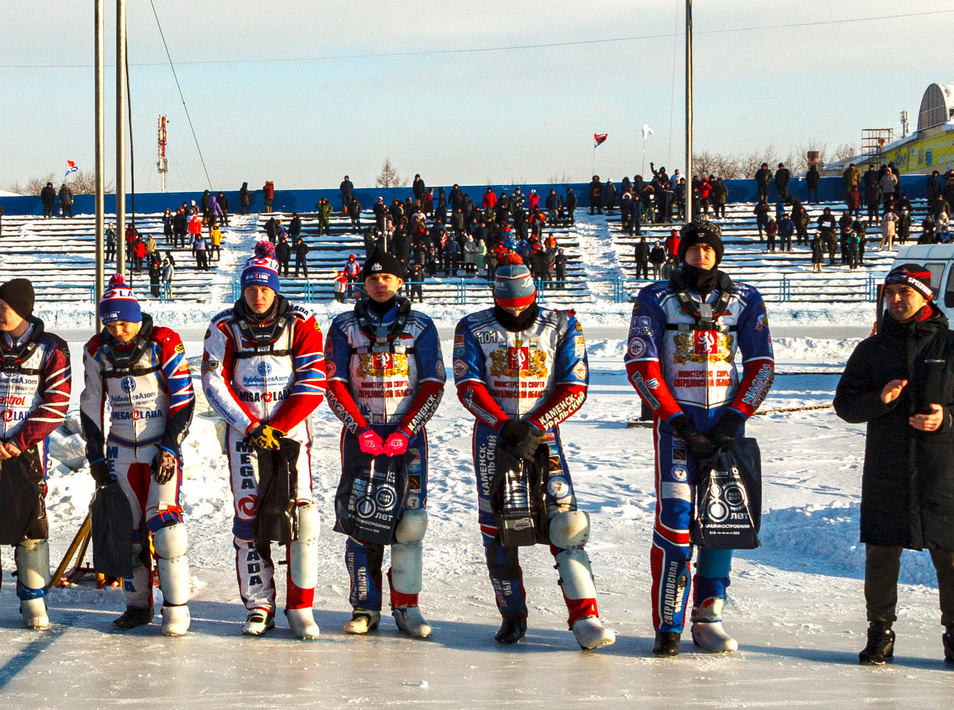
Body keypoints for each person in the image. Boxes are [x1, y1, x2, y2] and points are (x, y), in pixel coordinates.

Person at [835, 265, 954, 670]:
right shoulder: (871, 350)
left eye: (904, 293)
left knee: (953, 557)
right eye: (890, 292)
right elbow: (846, 405)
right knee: (881, 556)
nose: (895, 300)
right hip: (886, 471)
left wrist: (947, 418)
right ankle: (879, 635)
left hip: (941, 470)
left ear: (925, 297)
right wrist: (880, 399)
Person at [625, 219, 774, 655]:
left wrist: (734, 418)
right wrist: (676, 420)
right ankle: (668, 623)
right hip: (677, 429)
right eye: (694, 248)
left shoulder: (746, 298)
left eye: (709, 248)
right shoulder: (656, 297)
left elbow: (762, 363)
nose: (702, 254)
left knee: (722, 521)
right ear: (682, 252)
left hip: (726, 427)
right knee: (675, 517)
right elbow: (641, 365)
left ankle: (709, 616)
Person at [452, 253, 613, 648]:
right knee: (498, 529)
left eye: (522, 304)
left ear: (535, 293)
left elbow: (575, 385)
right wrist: (505, 425)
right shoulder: (472, 326)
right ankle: (512, 615)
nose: (516, 312)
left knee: (565, 525)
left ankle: (585, 616)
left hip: (545, 438)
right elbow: (467, 383)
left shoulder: (562, 324)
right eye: (508, 307)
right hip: (495, 437)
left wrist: (535, 426)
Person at [202, 248, 330, 637]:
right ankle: (258, 605)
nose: (259, 294)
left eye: (265, 287)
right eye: (252, 287)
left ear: (276, 288)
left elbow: (314, 380)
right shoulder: (223, 326)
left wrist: (279, 424)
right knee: (249, 520)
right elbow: (213, 382)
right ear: (243, 289)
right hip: (246, 437)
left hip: (290, 437)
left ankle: (300, 607)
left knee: (302, 518)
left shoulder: (302, 321)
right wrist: (252, 426)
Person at [322, 250, 443, 637]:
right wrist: (361, 428)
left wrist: (406, 430)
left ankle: (407, 608)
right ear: (363, 283)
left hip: (408, 438)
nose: (380, 284)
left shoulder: (421, 325)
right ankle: (365, 608)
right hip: (362, 437)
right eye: (373, 278)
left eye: (387, 278)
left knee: (410, 523)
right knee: (362, 519)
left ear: (399, 281)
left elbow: (432, 384)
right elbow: (334, 382)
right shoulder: (343, 325)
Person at [80, 275, 195, 634]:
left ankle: (176, 607)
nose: (118, 330)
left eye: (124, 322)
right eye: (110, 323)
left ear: (137, 314)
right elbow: (90, 403)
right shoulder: (97, 349)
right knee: (127, 531)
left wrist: (170, 446)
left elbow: (184, 398)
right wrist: (96, 457)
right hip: (120, 450)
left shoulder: (165, 341)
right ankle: (136, 605)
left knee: (166, 529)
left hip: (159, 447)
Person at [0, 277, 71, 628]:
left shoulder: (52, 347)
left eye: (2, 308)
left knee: (29, 524)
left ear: (21, 309)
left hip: (27, 452)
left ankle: (33, 600)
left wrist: (19, 441)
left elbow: (58, 402)